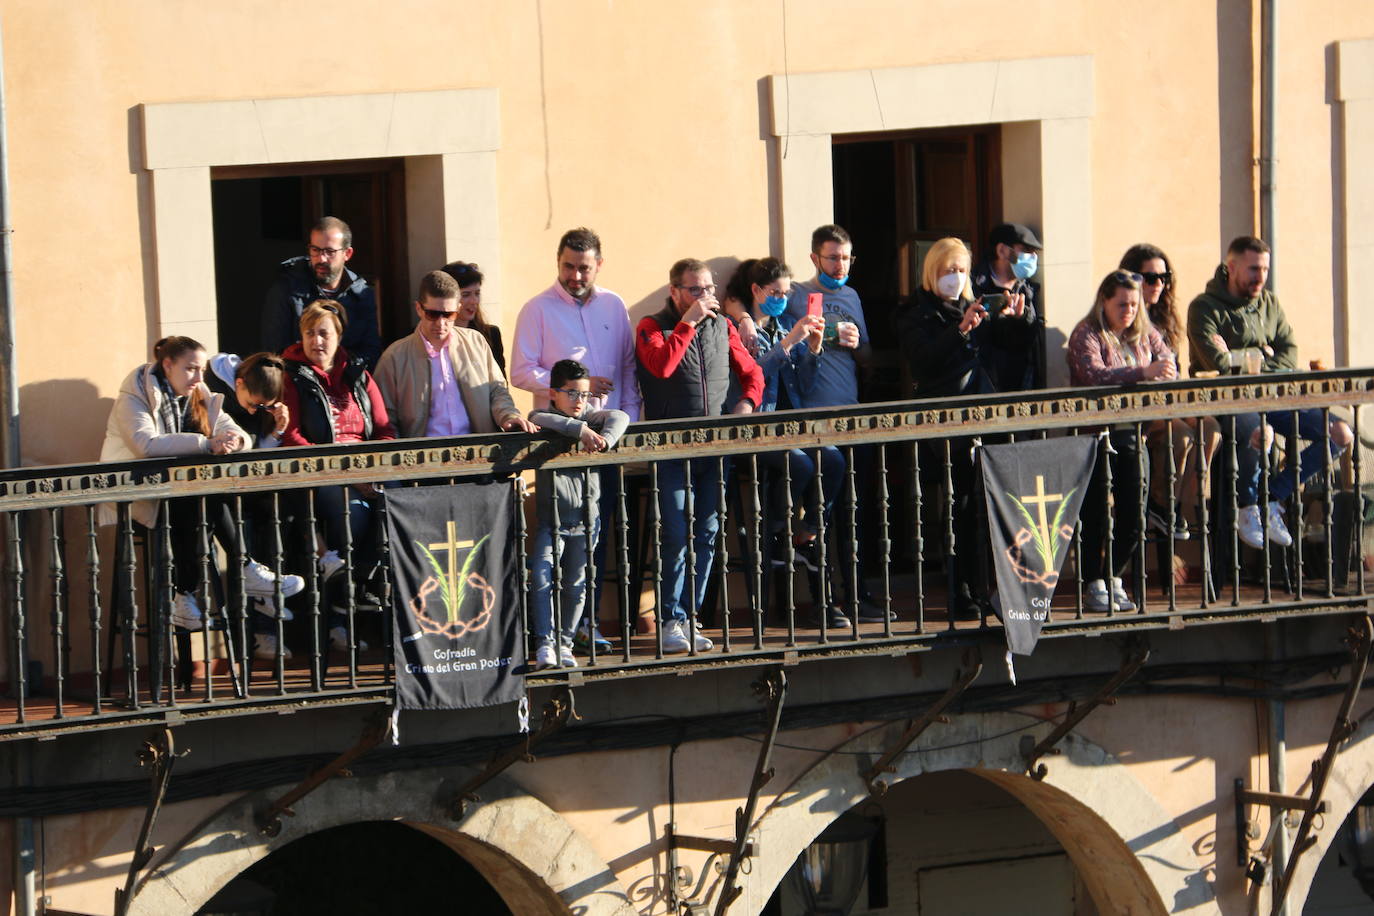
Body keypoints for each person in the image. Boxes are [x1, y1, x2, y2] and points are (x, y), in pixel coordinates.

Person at [100, 337, 302, 632]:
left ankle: (187, 596)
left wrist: (236, 440)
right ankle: (241, 570)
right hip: (137, 494)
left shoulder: (198, 391)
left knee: (202, 498)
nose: (198, 376)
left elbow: (232, 429)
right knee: (200, 499)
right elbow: (145, 444)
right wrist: (207, 444)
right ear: (168, 365)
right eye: (191, 368)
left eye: (201, 369)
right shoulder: (134, 394)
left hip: (178, 495)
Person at [511, 227, 642, 651]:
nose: (575, 275)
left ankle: (587, 623)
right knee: (554, 543)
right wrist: (571, 387)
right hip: (560, 442)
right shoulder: (537, 309)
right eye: (568, 266)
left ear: (598, 265)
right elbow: (519, 370)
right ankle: (555, 636)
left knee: (599, 533)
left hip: (606, 436)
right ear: (558, 262)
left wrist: (630, 424)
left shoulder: (615, 304)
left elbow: (626, 367)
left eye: (583, 267)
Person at [896, 237, 1035, 618]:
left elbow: (1012, 349)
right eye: (947, 271)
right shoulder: (915, 313)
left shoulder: (976, 307)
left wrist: (1019, 320)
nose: (954, 278)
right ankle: (959, 593)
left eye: (960, 271)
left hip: (983, 417)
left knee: (984, 506)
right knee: (955, 506)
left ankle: (983, 588)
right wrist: (959, 329)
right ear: (932, 273)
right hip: (944, 422)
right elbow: (923, 362)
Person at [1186, 236, 1353, 548]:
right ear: (1231, 267)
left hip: (1275, 397)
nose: (1260, 276)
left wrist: (1249, 358)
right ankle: (1247, 508)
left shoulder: (1270, 304)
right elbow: (1219, 365)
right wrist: (1261, 353)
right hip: (1228, 400)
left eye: (1264, 269)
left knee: (1340, 433)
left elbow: (1289, 353)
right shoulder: (1204, 307)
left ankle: (1272, 496)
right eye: (1253, 269)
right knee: (1259, 433)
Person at [636, 258, 763, 652]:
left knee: (707, 533)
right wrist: (688, 322)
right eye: (696, 290)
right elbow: (661, 366)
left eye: (709, 289)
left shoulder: (722, 325)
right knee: (676, 532)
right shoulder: (651, 326)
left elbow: (752, 373)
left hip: (714, 447)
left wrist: (746, 404)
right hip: (671, 448)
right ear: (674, 292)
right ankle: (670, 618)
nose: (706, 296)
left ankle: (689, 617)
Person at [726, 258, 844, 627]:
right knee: (802, 464)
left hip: (785, 429)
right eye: (774, 292)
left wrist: (811, 349)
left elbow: (804, 388)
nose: (780, 298)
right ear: (756, 291)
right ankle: (778, 535)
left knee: (835, 459)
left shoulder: (778, 328)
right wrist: (791, 341)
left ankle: (806, 533)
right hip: (751, 431)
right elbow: (754, 376)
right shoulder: (739, 330)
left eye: (785, 293)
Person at [783, 225, 891, 623]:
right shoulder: (795, 295)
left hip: (851, 414)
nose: (840, 265)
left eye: (846, 258)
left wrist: (855, 342)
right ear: (815, 258)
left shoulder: (852, 296)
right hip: (812, 418)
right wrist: (827, 332)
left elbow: (867, 355)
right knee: (819, 514)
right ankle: (823, 600)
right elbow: (778, 328)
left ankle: (857, 595)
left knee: (854, 511)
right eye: (833, 257)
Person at [280, 301, 397, 651]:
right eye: (309, 333)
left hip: (367, 467)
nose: (316, 340)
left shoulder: (359, 372)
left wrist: (374, 468)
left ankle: (363, 587)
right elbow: (292, 436)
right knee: (355, 515)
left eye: (323, 333)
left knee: (401, 498)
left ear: (339, 336)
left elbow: (385, 428)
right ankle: (338, 611)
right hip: (321, 473)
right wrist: (346, 471)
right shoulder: (292, 375)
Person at [1067, 270, 1176, 611]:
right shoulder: (1087, 332)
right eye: (1122, 304)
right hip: (1096, 435)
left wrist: (1165, 368)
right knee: (1096, 512)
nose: (1129, 311)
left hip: (1134, 432)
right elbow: (1093, 374)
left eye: (1134, 304)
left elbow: (1167, 357)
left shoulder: (1144, 334)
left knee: (1135, 513)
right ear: (1104, 302)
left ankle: (1113, 575)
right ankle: (1092, 583)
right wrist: (1143, 373)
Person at [527, 359, 630, 669]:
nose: (579, 401)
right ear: (554, 392)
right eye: (571, 393)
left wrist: (605, 441)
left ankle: (566, 642)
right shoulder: (545, 417)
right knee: (543, 577)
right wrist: (581, 430)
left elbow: (620, 416)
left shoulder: (594, 418)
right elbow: (539, 416)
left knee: (577, 585)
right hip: (553, 521)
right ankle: (545, 643)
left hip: (587, 520)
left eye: (585, 395)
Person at [1118, 243, 1220, 541]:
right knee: (1182, 436)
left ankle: (1180, 502)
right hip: (1138, 405)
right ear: (1133, 279)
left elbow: (1172, 366)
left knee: (1211, 428)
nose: (1159, 284)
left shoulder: (1166, 319)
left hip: (1168, 399)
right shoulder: (1124, 314)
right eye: (1150, 278)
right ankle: (1159, 506)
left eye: (1165, 277)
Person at [205, 351, 301, 660]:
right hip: (217, 491)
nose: (256, 409)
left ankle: (267, 607)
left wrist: (276, 431)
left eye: (264, 406)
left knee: (280, 512)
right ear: (239, 382)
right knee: (244, 530)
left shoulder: (255, 399)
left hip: (244, 487)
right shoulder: (211, 389)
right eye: (254, 403)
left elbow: (255, 453)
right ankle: (252, 631)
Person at [373, 270, 535, 439]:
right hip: (423, 459)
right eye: (433, 314)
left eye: (448, 315)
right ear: (419, 309)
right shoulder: (394, 357)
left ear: (457, 309)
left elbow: (497, 390)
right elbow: (385, 419)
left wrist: (509, 416)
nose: (441, 323)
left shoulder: (476, 342)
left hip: (478, 453)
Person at [261, 216, 383, 368]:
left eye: (329, 251)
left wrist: (342, 376)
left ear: (347, 254)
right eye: (315, 250)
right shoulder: (286, 289)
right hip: (298, 382)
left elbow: (370, 352)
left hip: (346, 383)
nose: (321, 258)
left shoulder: (361, 294)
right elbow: (275, 353)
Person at [971, 222, 1042, 391]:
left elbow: (1032, 338)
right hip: (983, 385)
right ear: (1002, 250)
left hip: (1021, 384)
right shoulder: (973, 286)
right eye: (1025, 250)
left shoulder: (1028, 290)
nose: (1032, 257)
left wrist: (1022, 318)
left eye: (1034, 252)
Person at [441, 261, 506, 375]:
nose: (474, 301)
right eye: (465, 295)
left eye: (477, 293)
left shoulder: (491, 334)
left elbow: (500, 384)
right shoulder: (430, 336)